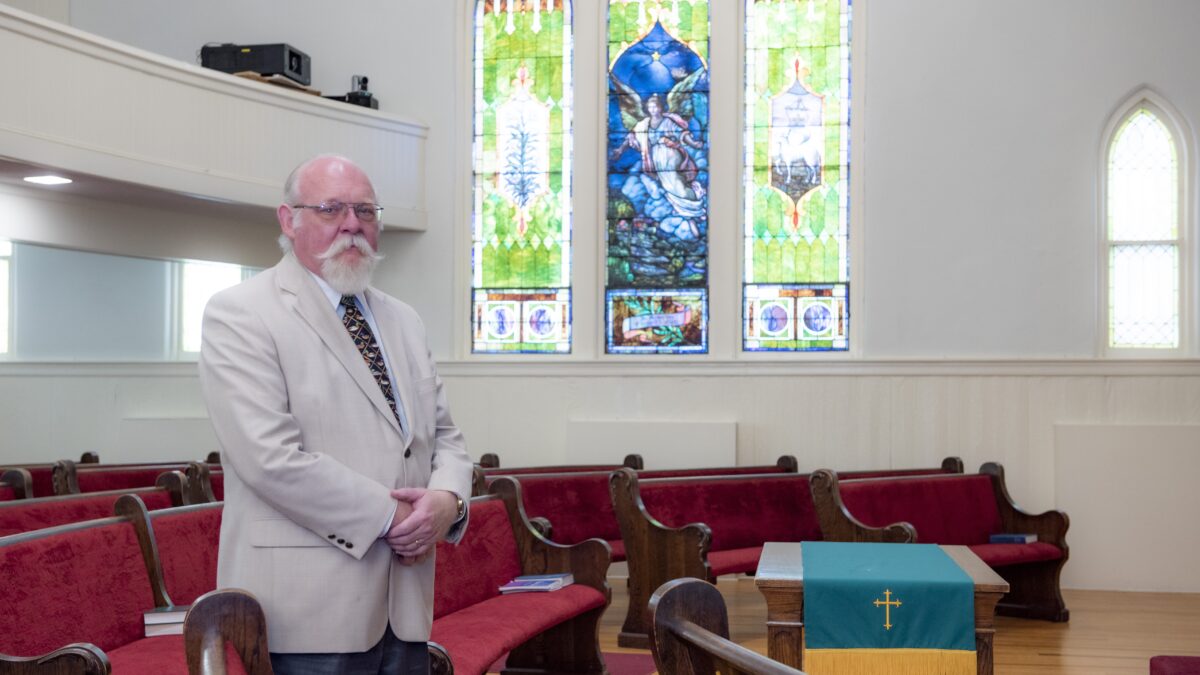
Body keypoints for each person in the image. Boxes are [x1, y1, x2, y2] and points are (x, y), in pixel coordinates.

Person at [198, 154, 473, 675]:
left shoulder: (404, 319)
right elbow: (269, 458)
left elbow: (444, 437)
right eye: (331, 209)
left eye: (365, 211)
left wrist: (448, 500)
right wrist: (396, 517)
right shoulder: (241, 312)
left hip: (405, 605)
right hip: (304, 608)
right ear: (288, 219)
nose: (352, 225)